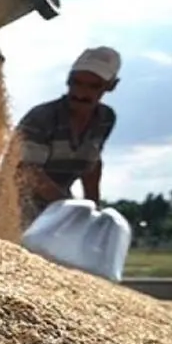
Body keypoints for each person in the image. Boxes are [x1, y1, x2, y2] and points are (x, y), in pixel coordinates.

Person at [11, 46, 121, 229]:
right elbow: (28, 172)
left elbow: (92, 166)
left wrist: (93, 211)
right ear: (68, 80)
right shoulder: (42, 118)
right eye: (76, 83)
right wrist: (72, 209)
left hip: (56, 210)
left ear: (111, 86)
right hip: (14, 206)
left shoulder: (105, 119)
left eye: (93, 86)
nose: (80, 93)